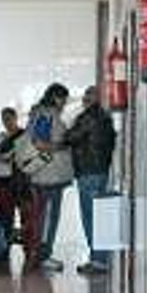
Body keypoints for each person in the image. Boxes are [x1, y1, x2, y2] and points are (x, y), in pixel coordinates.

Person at [65, 86, 117, 274]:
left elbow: (69, 137)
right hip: (100, 171)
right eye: (86, 94)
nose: (85, 98)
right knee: (98, 217)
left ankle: (98, 260)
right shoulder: (105, 117)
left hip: (88, 172)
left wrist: (69, 128)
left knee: (91, 218)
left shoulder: (88, 117)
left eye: (89, 95)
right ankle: (99, 258)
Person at [27, 83, 74, 272]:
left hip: (49, 176)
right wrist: (63, 145)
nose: (64, 103)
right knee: (48, 218)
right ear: (55, 97)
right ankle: (43, 256)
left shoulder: (43, 113)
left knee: (45, 216)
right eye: (63, 99)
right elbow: (39, 142)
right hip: (49, 177)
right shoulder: (46, 114)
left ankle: (42, 253)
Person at [0, 107, 36, 248]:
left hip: (20, 181)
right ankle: (5, 244)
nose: (6, 121)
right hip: (2, 181)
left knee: (26, 214)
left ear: (15, 118)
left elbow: (15, 157)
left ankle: (29, 245)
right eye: (3, 119)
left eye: (8, 118)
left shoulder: (24, 135)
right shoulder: (2, 136)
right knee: (5, 216)